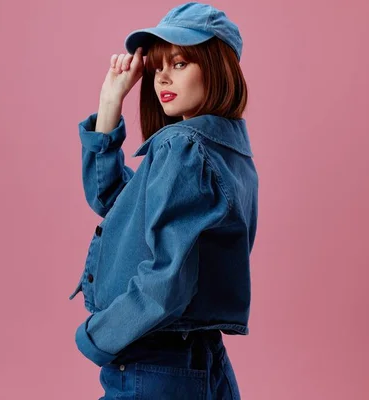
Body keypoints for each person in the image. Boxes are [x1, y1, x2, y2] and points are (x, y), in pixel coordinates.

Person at [69, 2, 258, 399]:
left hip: (154, 362)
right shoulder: (228, 149)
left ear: (217, 67)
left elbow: (168, 281)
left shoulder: (183, 147)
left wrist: (97, 335)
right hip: (201, 358)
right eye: (157, 66)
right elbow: (116, 202)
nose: (162, 78)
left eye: (181, 63)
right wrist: (110, 105)